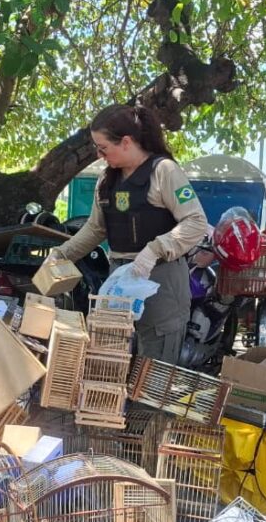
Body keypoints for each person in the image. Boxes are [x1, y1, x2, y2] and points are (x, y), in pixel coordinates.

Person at [46, 104, 208, 363]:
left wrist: (154, 250)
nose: (99, 155)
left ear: (126, 142)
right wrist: (62, 254)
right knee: (110, 361)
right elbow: (95, 228)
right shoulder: (106, 180)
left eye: (103, 148)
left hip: (160, 279)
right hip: (119, 280)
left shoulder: (164, 171)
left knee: (153, 366)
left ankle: (147, 406)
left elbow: (196, 222)